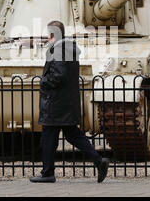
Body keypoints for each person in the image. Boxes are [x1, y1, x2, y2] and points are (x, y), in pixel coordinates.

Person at [30, 21, 109, 183]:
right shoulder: (67, 48)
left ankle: (47, 173)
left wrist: (43, 81)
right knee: (73, 135)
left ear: (52, 34)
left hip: (55, 102)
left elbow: (58, 75)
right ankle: (99, 161)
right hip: (66, 101)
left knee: (50, 136)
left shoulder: (59, 49)